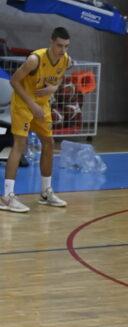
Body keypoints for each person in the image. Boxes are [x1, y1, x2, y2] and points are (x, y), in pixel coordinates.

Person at [1, 27, 71, 213]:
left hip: (42, 106)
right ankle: (7, 197)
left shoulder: (66, 60)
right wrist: (31, 104)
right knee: (19, 145)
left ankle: (46, 192)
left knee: (49, 143)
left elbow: (59, 78)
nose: (62, 50)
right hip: (24, 104)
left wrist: (53, 88)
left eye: (66, 46)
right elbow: (14, 81)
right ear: (51, 41)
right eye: (59, 45)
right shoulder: (35, 60)